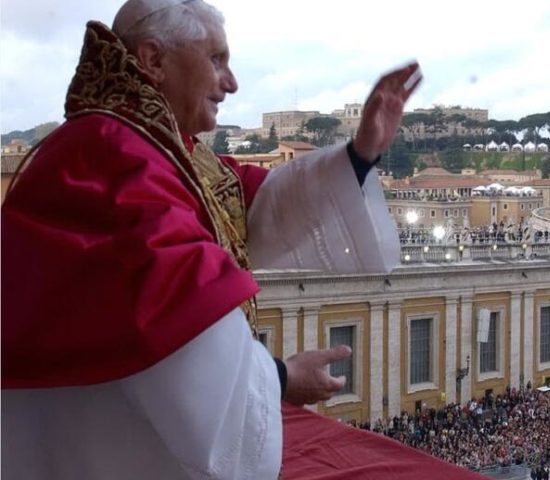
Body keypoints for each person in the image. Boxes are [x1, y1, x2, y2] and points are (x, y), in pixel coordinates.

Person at [1, 0, 421, 478]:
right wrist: (281, 377)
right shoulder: (116, 162)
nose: (232, 82)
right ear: (154, 60)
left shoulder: (148, 146)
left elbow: (254, 205)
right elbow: (179, 321)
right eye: (216, 59)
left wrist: (360, 152)